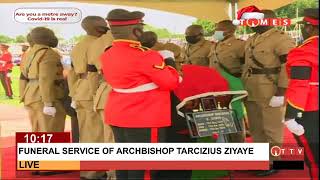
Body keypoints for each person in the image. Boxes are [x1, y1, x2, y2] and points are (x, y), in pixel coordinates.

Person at [101, 9, 180, 180]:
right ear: (136, 31)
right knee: (146, 167)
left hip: (118, 115)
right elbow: (171, 82)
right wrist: (170, 60)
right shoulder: (146, 55)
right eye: (141, 28)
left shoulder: (107, 54)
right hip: (144, 117)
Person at [241, 9, 295, 176]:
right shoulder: (252, 38)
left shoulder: (280, 38)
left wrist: (281, 92)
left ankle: (275, 161)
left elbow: (289, 66)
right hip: (251, 88)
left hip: (270, 89)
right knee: (257, 128)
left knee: (272, 129)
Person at [68, 16, 108, 180]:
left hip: (79, 89)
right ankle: (94, 171)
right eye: (105, 25)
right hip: (93, 89)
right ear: (99, 27)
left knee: (86, 132)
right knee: (97, 133)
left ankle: (88, 170)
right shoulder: (98, 44)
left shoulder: (78, 45)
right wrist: (94, 93)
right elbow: (95, 72)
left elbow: (71, 73)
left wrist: (73, 93)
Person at [284, 8, 319, 179]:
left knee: (315, 160)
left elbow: (300, 85)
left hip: (310, 109)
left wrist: (291, 115)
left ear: (309, 27)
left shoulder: (304, 51)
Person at [21, 27, 66, 133]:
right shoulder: (49, 53)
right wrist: (48, 103)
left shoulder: (29, 53)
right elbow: (45, 78)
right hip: (45, 96)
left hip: (31, 94)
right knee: (52, 131)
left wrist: (23, 95)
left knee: (37, 131)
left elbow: (22, 77)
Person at [209, 20, 246, 143]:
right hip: (216, 88)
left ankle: (237, 145)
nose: (215, 31)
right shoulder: (215, 45)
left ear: (230, 31)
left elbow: (246, 65)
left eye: (218, 29)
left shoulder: (240, 45)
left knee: (235, 116)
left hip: (232, 86)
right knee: (220, 118)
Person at [87, 29, 116, 179]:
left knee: (105, 136)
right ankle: (114, 175)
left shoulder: (94, 43)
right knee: (114, 139)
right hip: (117, 92)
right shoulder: (126, 44)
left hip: (103, 91)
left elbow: (91, 72)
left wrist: (94, 93)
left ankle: (109, 173)